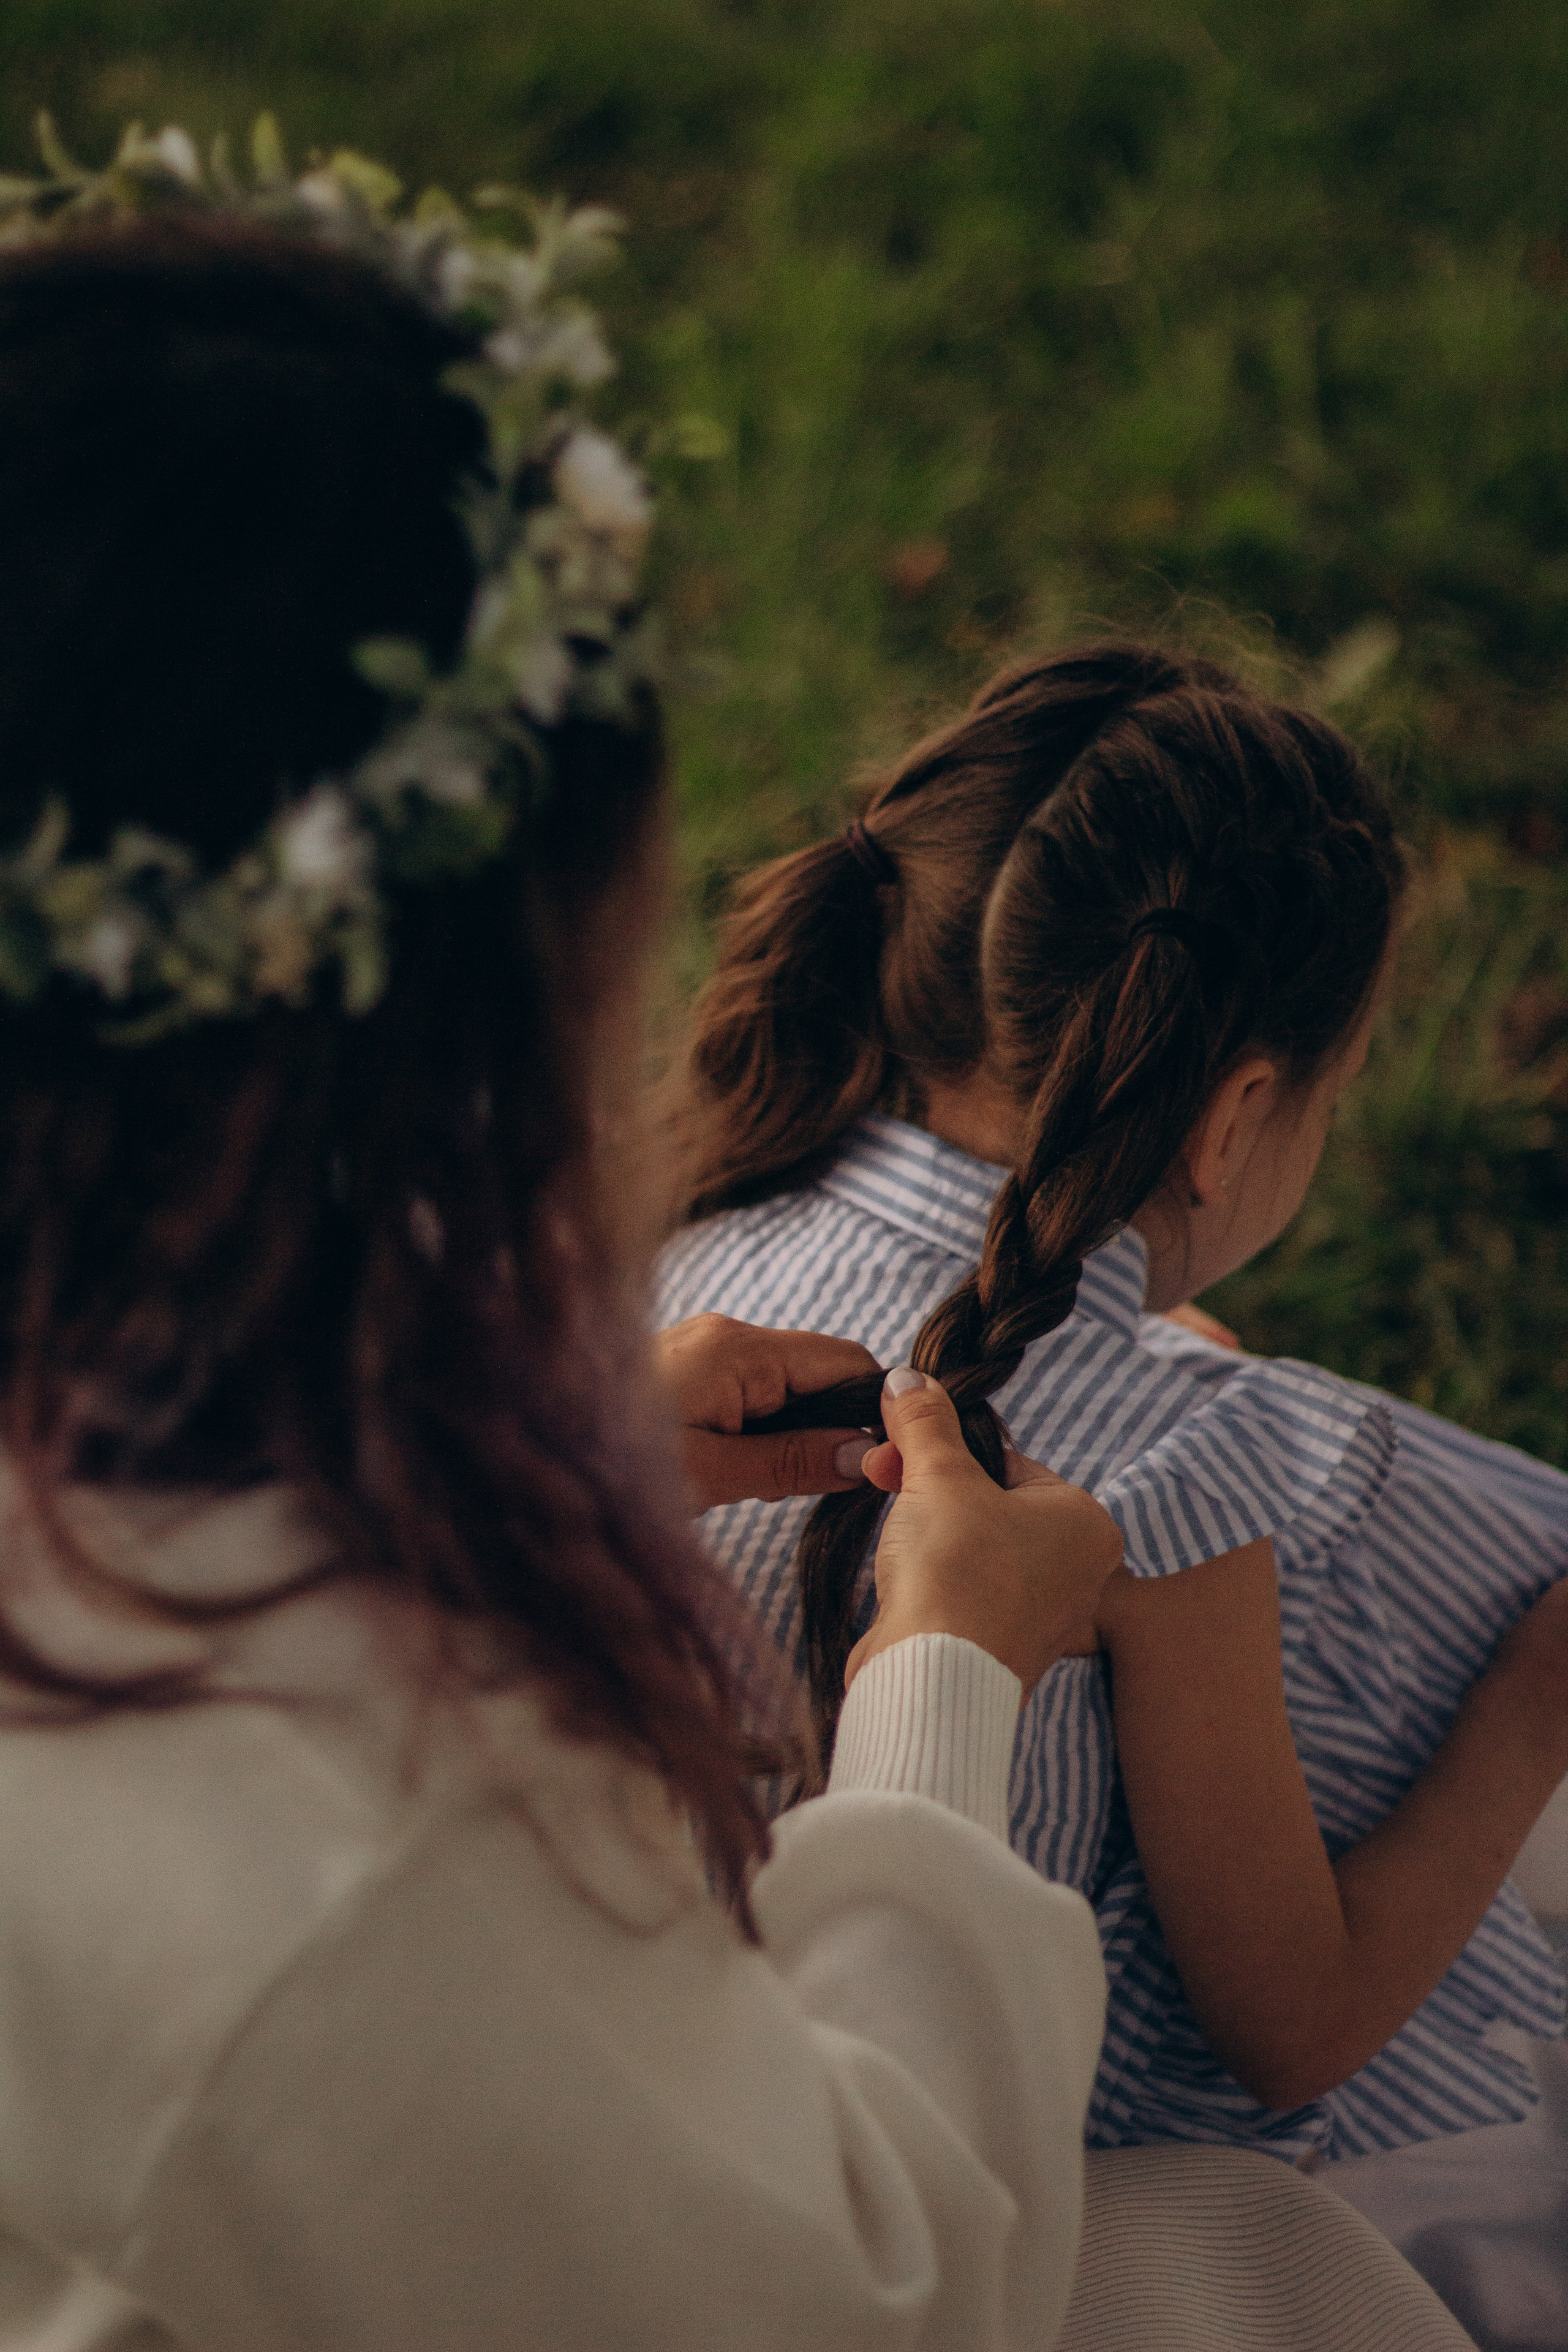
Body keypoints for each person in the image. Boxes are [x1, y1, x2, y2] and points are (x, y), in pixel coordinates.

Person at [658, 641, 1568, 2171]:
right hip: (925, 2170)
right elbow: (1294, 2023)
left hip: (602, 2072)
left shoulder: (683, 1256)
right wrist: (1533, 1713)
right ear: (1235, 1117)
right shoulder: (1181, 1468)